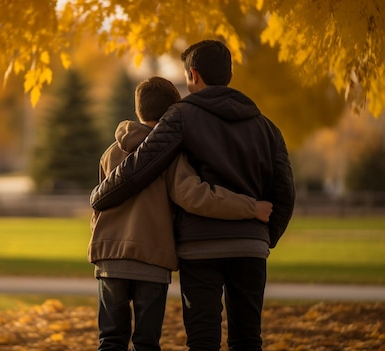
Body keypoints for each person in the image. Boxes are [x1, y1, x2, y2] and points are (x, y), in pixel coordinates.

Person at [90, 41, 296, 351]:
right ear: (228, 73)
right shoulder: (267, 127)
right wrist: (266, 235)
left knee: (202, 340)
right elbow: (285, 191)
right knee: (248, 338)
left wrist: (100, 194)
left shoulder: (181, 116)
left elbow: (141, 165)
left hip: (200, 247)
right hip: (251, 245)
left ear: (193, 75)